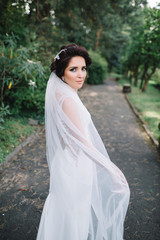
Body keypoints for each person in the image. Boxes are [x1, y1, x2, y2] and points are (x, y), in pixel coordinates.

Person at [36, 44, 130, 240]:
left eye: (83, 68)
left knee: (67, 215)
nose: (80, 74)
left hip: (68, 161)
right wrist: (111, 169)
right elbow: (82, 142)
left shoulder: (62, 93)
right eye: (73, 69)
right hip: (74, 166)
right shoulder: (68, 100)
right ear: (62, 73)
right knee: (73, 217)